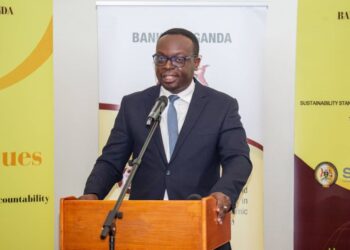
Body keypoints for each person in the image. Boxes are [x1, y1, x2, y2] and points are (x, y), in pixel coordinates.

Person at [80, 28, 252, 249]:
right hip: (143, 227)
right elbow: (111, 160)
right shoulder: (134, 105)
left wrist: (223, 193)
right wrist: (92, 194)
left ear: (196, 62)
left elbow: (238, 159)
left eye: (179, 59)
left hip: (200, 225)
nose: (168, 66)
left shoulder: (221, 106)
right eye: (161, 58)